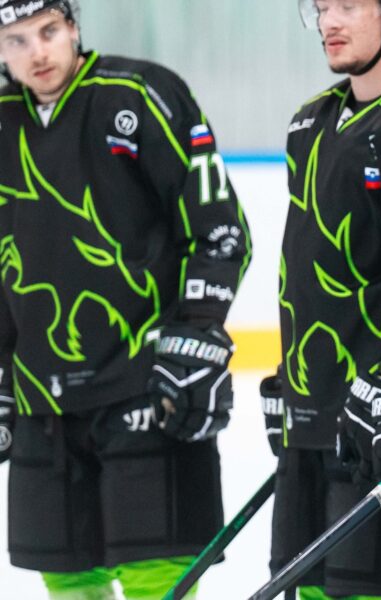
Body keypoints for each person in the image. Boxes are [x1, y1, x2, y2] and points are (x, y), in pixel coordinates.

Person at [0, 0, 251, 598]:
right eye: (17, 39)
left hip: (146, 385)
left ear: (75, 27)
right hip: (42, 401)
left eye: (49, 32)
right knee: (67, 577)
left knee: (156, 579)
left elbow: (220, 229)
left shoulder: (139, 95)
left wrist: (198, 333)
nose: (38, 52)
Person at [259, 0, 381, 598]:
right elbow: (305, 269)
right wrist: (290, 384)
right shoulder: (308, 123)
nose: (330, 23)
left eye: (348, 5)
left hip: (379, 425)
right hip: (311, 424)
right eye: (321, 8)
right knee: (305, 587)